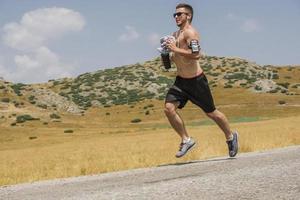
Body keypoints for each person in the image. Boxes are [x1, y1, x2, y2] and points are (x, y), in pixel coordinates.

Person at [161, 3, 238, 158]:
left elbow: (196, 54)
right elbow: (170, 63)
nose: (176, 17)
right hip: (181, 82)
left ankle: (230, 137)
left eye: (179, 14)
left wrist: (175, 49)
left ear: (188, 16)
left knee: (212, 113)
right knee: (169, 108)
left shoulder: (191, 33)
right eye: (174, 15)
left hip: (196, 82)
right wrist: (165, 53)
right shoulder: (174, 35)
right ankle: (186, 140)